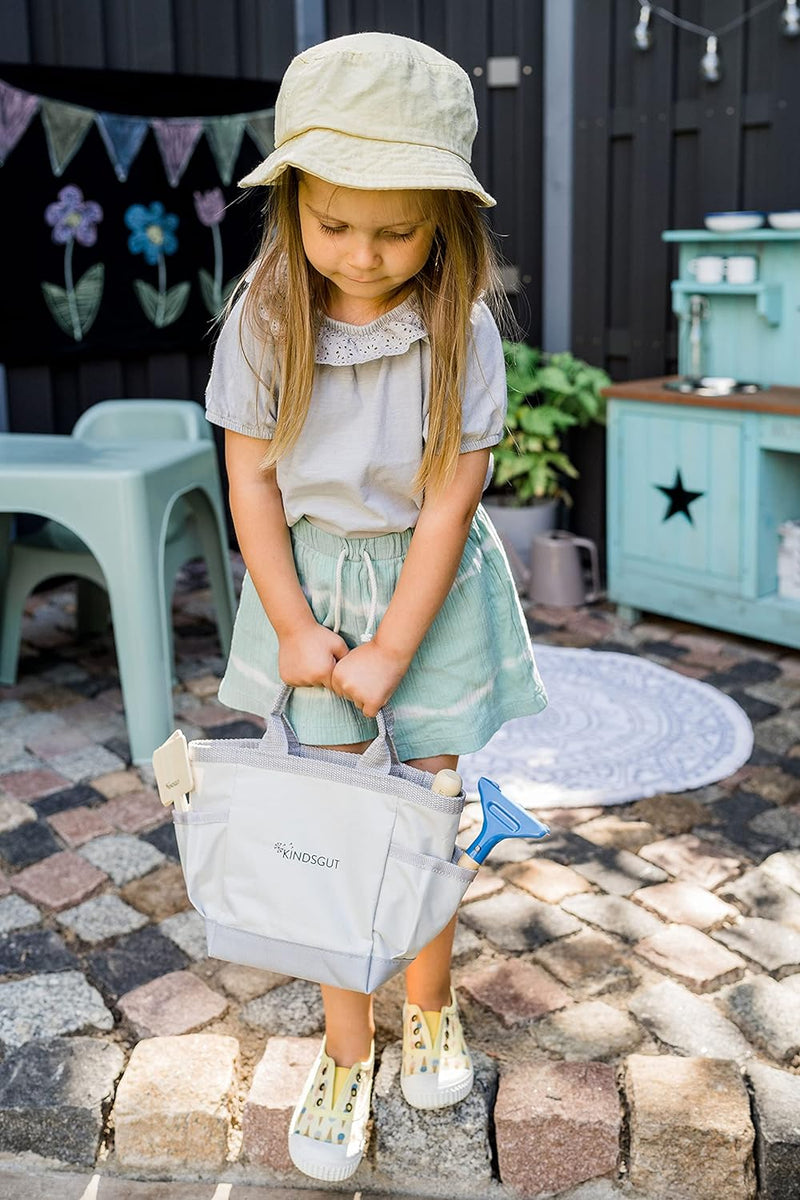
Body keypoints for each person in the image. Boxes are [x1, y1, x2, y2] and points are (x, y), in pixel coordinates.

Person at [204, 31, 547, 1183]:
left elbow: (448, 510)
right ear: (292, 202)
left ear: (445, 220)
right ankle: (345, 1051)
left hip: (424, 593)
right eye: (333, 223)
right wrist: (298, 629)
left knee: (419, 817)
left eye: (395, 230)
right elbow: (249, 480)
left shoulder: (464, 333)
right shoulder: (262, 318)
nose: (360, 253)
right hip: (302, 584)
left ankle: (430, 1003)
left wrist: (396, 643)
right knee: (331, 830)